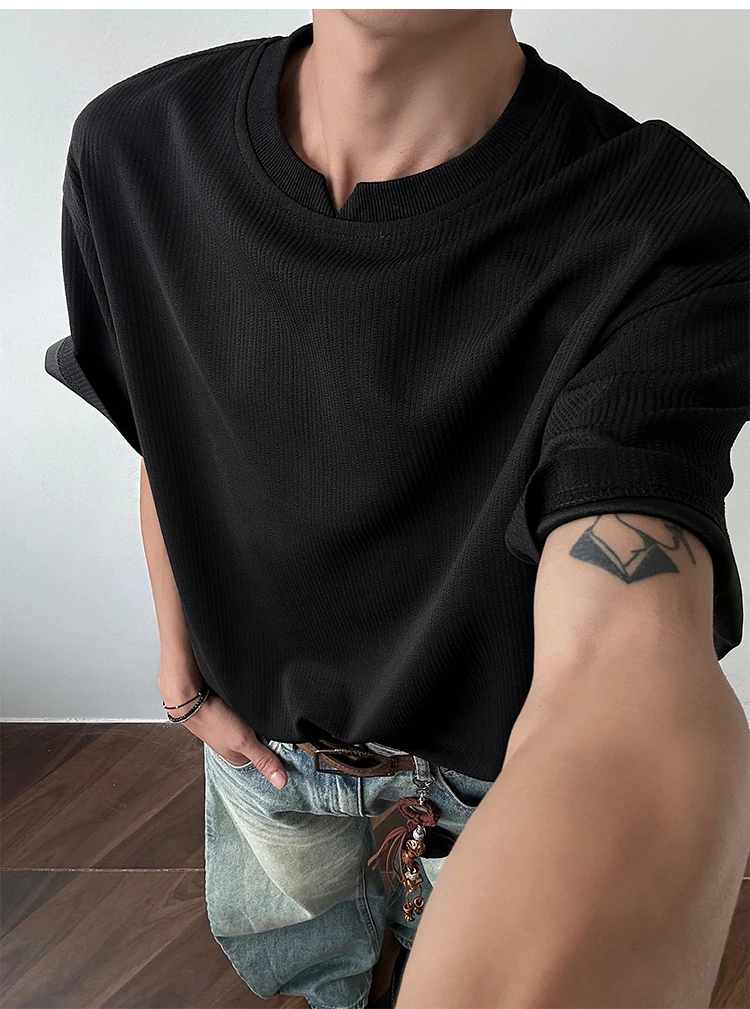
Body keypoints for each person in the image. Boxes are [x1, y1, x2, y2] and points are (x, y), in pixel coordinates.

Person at [44, 10, 749, 1009]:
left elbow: (631, 648)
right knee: (310, 972)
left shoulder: (657, 225)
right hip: (262, 748)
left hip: (492, 781)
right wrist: (181, 678)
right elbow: (164, 430)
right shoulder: (132, 149)